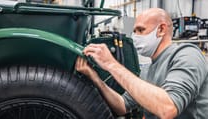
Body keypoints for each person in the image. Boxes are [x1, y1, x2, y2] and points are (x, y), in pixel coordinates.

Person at [75, 8, 208, 119]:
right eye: (134, 31)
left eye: (140, 30)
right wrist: (95, 78)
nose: (135, 37)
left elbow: (168, 108)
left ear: (161, 29)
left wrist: (111, 64)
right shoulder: (147, 70)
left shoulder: (187, 55)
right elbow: (122, 106)